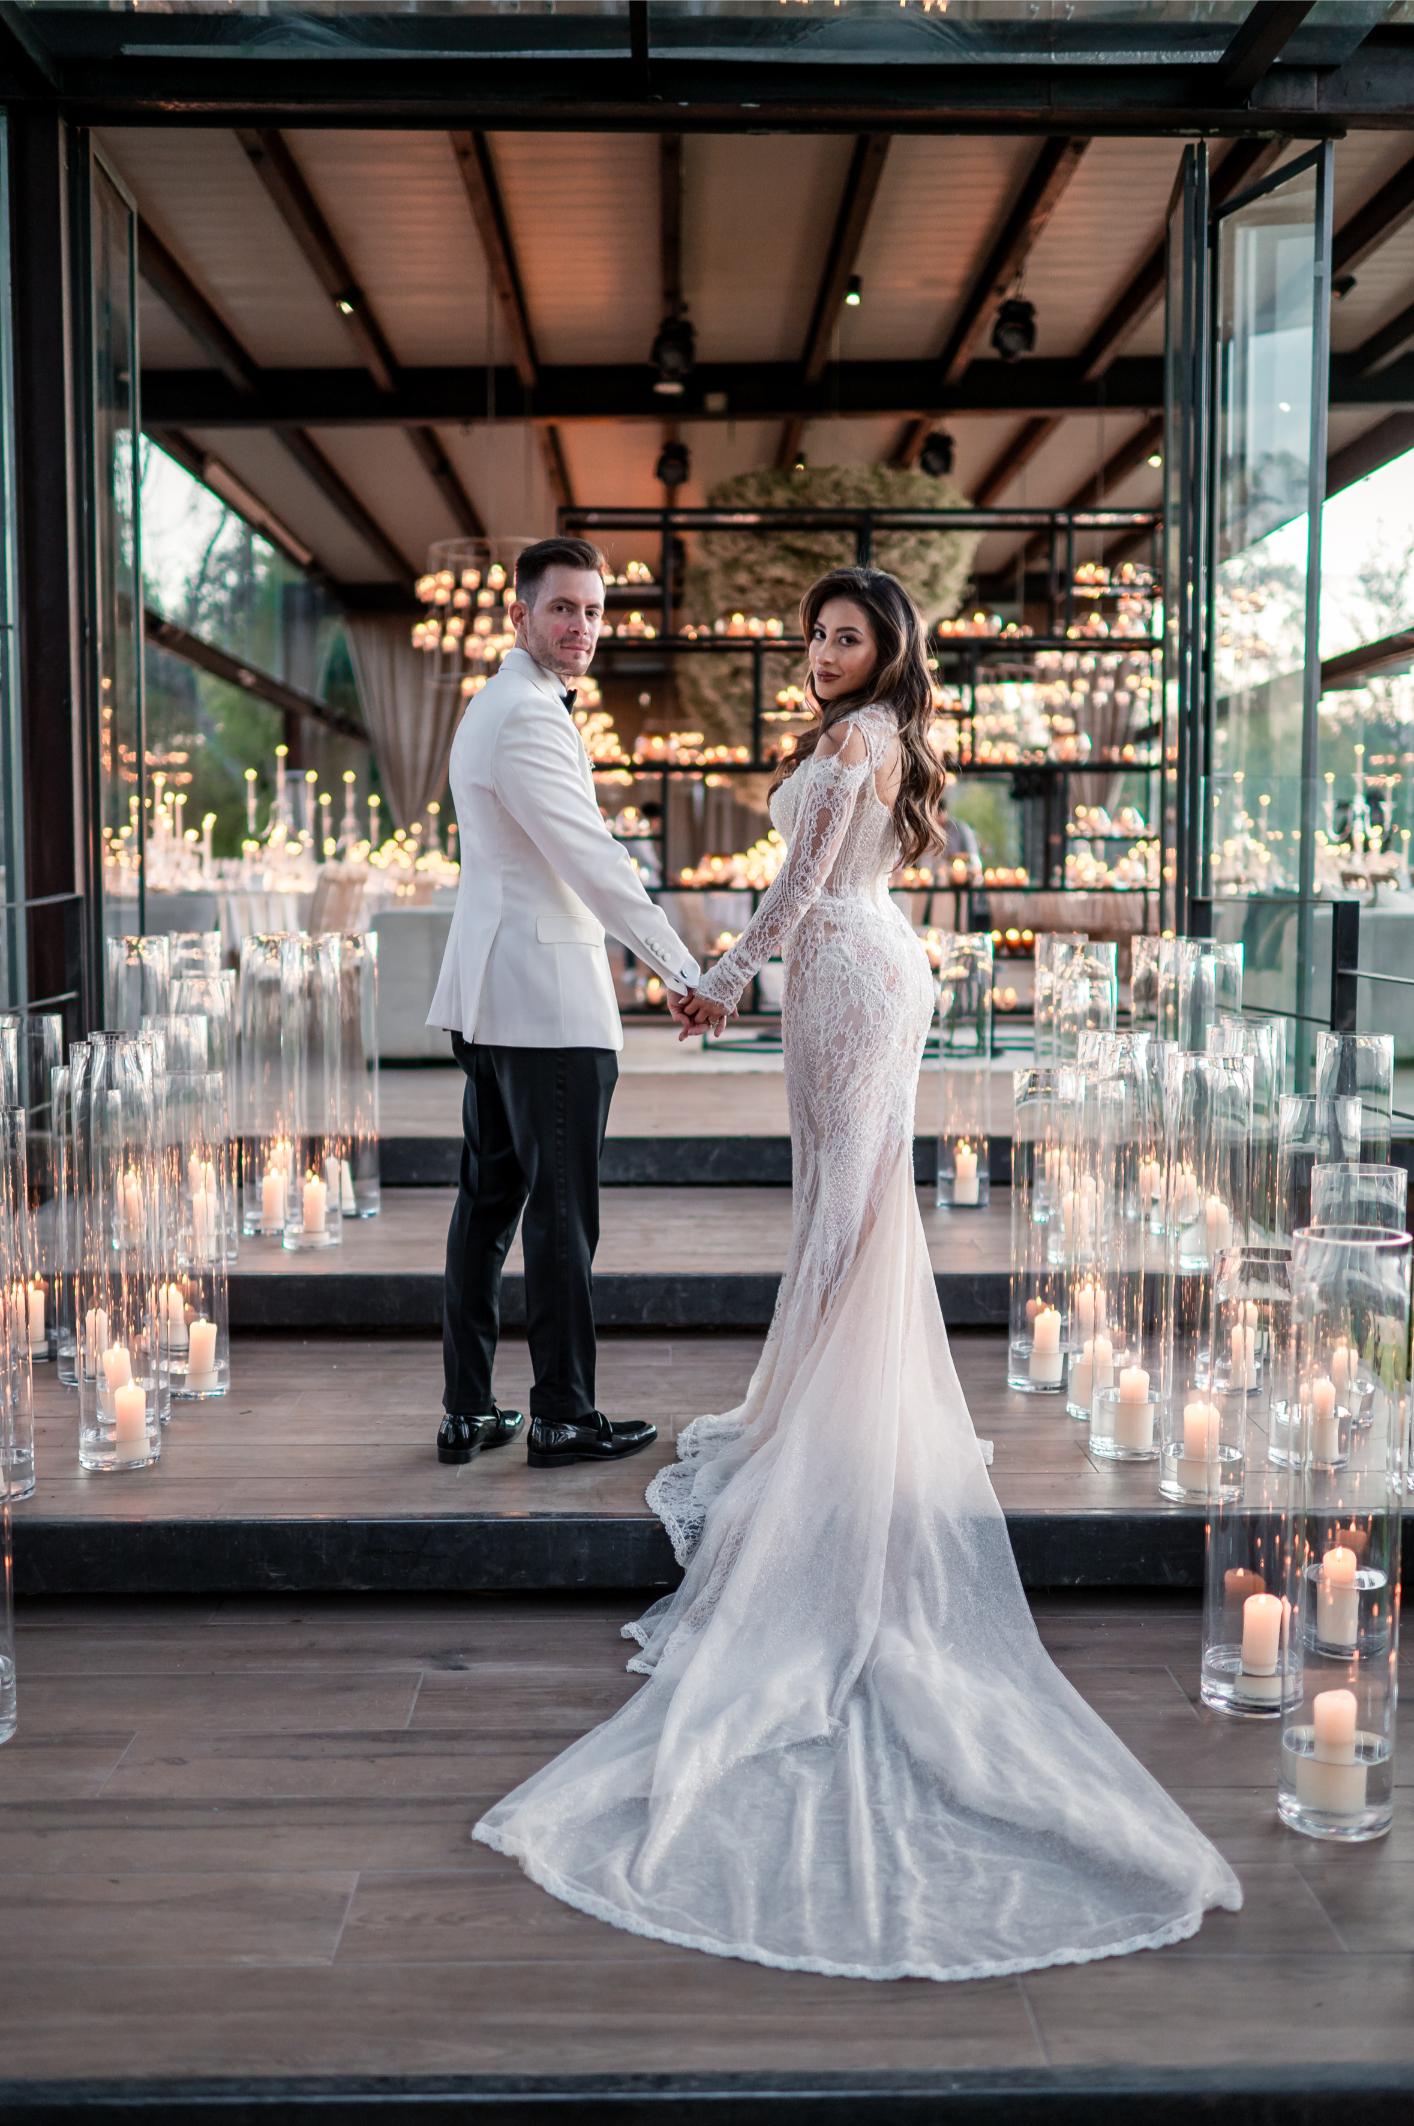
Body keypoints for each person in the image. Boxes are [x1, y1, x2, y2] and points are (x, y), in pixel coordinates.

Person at [471, 565, 1242, 1980]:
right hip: (855, 971)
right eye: (816, 635)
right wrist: (738, 972)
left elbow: (801, 887)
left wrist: (717, 979)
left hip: (845, 973)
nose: (824, 653)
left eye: (847, 635)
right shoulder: (864, 735)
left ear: (889, 646)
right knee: (844, 1198)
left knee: (845, 1204)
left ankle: (833, 1428)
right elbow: (819, 887)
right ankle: (829, 1404)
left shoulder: (858, 738)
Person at [427, 536, 702, 1471]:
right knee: (559, 1217)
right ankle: (563, 1415)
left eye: (592, 611)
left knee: (488, 1208)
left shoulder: (498, 703)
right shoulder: (529, 717)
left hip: (493, 997)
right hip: (542, 1002)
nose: (582, 626)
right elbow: (593, 860)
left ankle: (469, 1410)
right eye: (562, 608)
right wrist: (682, 969)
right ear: (520, 615)